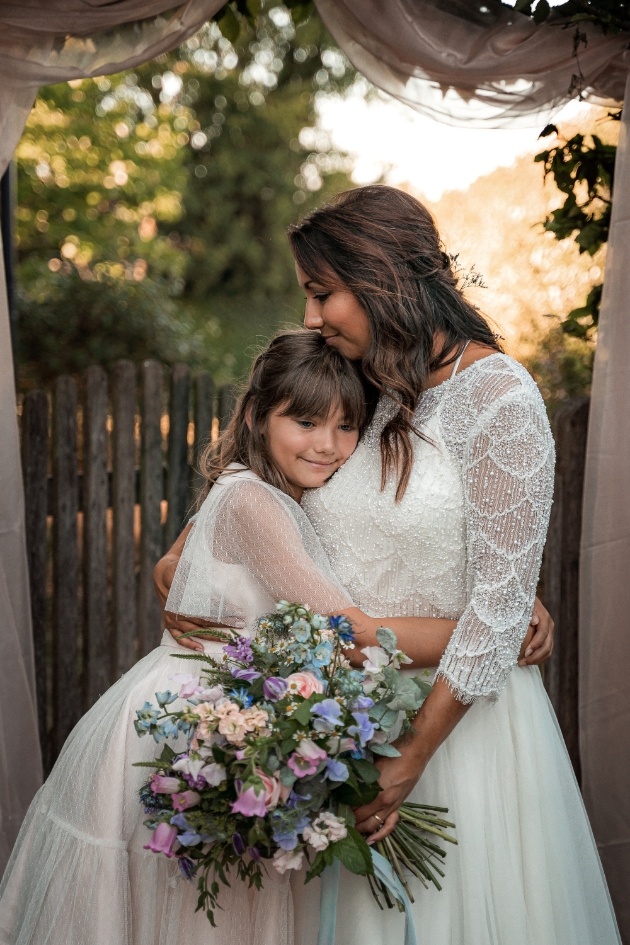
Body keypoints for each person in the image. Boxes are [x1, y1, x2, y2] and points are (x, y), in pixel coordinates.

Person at [157, 186, 620, 945]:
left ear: (380, 275)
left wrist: (411, 758)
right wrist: (176, 565)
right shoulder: (363, 387)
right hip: (342, 721)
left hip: (455, 732)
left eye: (321, 292)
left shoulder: (500, 397)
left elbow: (498, 606)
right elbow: (233, 507)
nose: (310, 317)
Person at [0, 330, 482, 945]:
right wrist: (491, 624)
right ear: (257, 414)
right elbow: (348, 633)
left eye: (345, 428)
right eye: (305, 422)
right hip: (198, 720)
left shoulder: (268, 486)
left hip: (230, 706)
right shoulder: (257, 502)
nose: (327, 446)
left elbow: (180, 560)